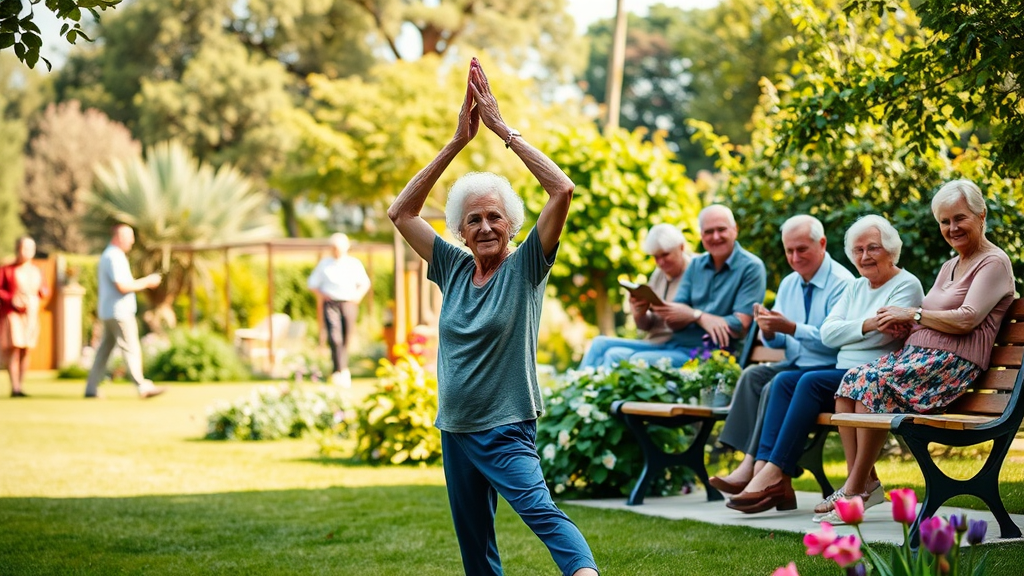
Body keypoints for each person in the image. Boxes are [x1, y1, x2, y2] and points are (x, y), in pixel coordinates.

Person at [387, 58, 598, 576]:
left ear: (511, 224)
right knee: (475, 549)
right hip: (455, 429)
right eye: (474, 219)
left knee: (541, 512)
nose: (485, 226)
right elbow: (402, 213)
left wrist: (502, 131)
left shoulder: (526, 265)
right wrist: (457, 141)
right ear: (460, 229)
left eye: (495, 216)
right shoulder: (452, 267)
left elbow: (563, 190)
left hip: (505, 429)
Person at [818, 179, 1016, 523]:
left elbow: (967, 320)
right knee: (852, 379)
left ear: (981, 215)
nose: (951, 228)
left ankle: (853, 490)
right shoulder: (949, 265)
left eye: (959, 218)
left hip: (950, 366)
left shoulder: (994, 263)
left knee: (870, 381)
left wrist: (913, 314)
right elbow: (931, 318)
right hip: (919, 357)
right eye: (944, 221)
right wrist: (906, 326)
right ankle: (861, 483)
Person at [725, 215, 924, 515]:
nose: (865, 256)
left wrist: (852, 331)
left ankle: (778, 470)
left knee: (808, 382)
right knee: (782, 382)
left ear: (891, 249)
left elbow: (867, 342)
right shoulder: (857, 287)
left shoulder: (906, 285)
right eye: (858, 250)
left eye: (873, 248)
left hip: (873, 375)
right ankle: (770, 469)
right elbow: (830, 334)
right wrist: (871, 324)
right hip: (845, 373)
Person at [709, 215, 854, 494]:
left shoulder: (842, 283)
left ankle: (756, 467)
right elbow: (777, 344)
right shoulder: (789, 283)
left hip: (825, 368)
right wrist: (770, 332)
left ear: (822, 244)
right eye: (789, 251)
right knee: (753, 375)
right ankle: (748, 461)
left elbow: (834, 342)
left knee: (776, 383)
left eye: (802, 249)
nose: (795, 257)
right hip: (796, 365)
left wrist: (791, 328)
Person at [627, 204, 766, 366]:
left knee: (636, 361)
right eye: (708, 232)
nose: (715, 237)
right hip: (676, 347)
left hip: (715, 356)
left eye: (721, 229)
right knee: (612, 352)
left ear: (735, 230)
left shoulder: (751, 267)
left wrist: (694, 315)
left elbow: (740, 325)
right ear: (701, 235)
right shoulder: (695, 265)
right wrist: (699, 317)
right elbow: (673, 318)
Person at [577, 223, 691, 369]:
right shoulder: (659, 275)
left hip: (673, 345)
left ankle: (588, 389)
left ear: (681, 247)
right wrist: (639, 312)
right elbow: (645, 325)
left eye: (665, 255)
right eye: (656, 257)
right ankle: (577, 387)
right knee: (599, 343)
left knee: (614, 354)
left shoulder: (694, 271)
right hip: (653, 342)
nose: (660, 262)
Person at [84, 224, 166, 400]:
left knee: (104, 351)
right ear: (119, 237)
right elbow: (122, 286)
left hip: (109, 311)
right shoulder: (114, 257)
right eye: (129, 237)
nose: (132, 241)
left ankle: (91, 388)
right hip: (119, 312)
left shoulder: (110, 255)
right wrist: (147, 282)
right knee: (131, 347)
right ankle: (142, 386)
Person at [307, 233, 371, 387]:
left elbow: (364, 283)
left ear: (346, 248)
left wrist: (357, 297)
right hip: (331, 304)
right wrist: (322, 295)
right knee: (335, 338)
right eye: (333, 247)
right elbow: (312, 284)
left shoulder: (354, 264)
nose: (335, 250)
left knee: (346, 337)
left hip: (348, 303)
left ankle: (343, 370)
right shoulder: (324, 264)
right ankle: (338, 371)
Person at [0, 237, 49, 398]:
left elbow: (43, 289)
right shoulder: (8, 270)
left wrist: (42, 292)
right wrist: (11, 299)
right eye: (24, 248)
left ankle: (20, 385)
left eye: (30, 248)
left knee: (25, 349)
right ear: (18, 249)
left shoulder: (36, 270)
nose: (27, 251)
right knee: (14, 349)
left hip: (31, 314)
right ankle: (14, 387)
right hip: (13, 313)